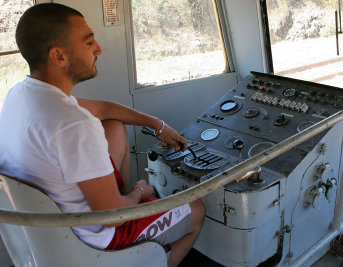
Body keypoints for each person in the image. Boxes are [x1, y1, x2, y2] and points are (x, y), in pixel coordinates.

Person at [0, 3, 205, 267]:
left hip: (44, 232)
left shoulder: (21, 94)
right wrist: (139, 192)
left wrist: (157, 125)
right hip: (96, 237)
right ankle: (149, 258)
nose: (98, 48)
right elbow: (110, 215)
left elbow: (105, 109)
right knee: (197, 209)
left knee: (113, 125)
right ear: (59, 56)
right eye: (88, 42)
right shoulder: (74, 125)